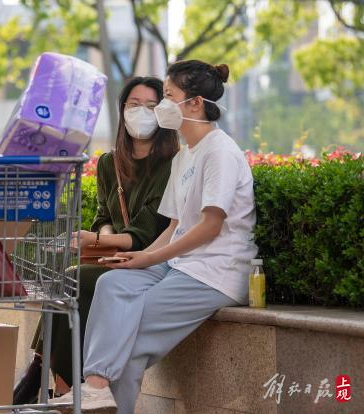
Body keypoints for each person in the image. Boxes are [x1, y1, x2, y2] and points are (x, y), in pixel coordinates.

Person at [51, 60, 258, 413]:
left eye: (168, 96)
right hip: (179, 265)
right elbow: (176, 225)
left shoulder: (220, 152)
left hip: (215, 271)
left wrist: (149, 257)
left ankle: (97, 388)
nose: (162, 106)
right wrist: (142, 258)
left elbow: (210, 226)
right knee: (111, 284)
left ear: (194, 104)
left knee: (130, 329)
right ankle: (97, 387)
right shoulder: (184, 157)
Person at [13, 76, 179, 405]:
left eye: (151, 106)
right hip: (113, 257)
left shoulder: (172, 164)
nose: (142, 113)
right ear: (122, 110)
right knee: (73, 281)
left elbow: (147, 231)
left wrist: (100, 241)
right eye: (134, 105)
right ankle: (60, 387)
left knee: (76, 278)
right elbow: (104, 217)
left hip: (148, 260)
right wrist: (104, 239)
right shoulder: (108, 163)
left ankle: (44, 377)